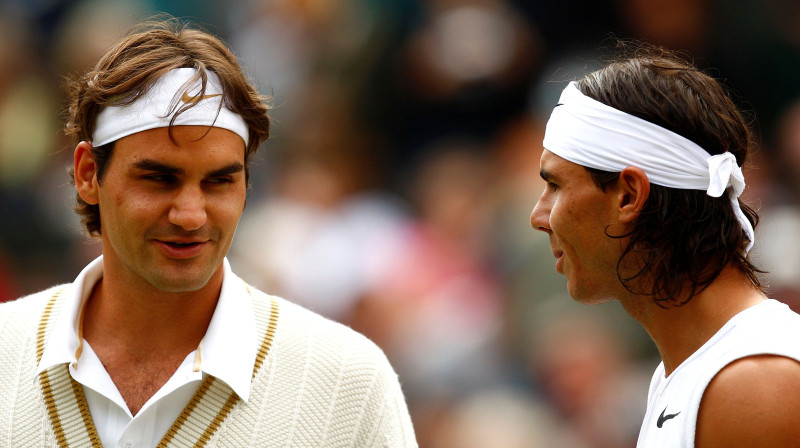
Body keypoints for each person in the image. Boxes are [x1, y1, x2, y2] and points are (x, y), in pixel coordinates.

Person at [0, 18, 417, 448]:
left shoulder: (350, 382)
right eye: (159, 179)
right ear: (88, 174)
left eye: (219, 182)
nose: (191, 214)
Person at [530, 46, 800, 448]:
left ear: (628, 194)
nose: (538, 216)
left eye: (555, 185)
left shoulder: (753, 383)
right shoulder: (698, 370)